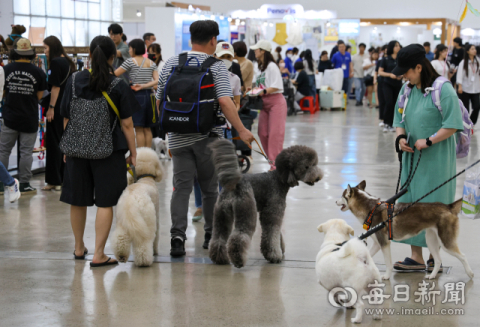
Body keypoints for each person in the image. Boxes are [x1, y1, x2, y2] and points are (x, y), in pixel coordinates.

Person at [155, 20, 254, 256]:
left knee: (181, 188)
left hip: (178, 137)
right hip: (208, 137)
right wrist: (242, 129)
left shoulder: (171, 63)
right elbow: (225, 101)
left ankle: (177, 238)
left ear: (191, 38)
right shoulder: (218, 67)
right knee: (210, 190)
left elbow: (159, 100)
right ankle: (211, 236)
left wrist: (169, 127)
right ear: (213, 40)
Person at [60, 35, 138, 267]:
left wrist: (70, 143)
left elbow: (66, 117)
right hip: (109, 151)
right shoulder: (118, 85)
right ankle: (99, 254)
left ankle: (78, 248)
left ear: (90, 56)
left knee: (78, 200)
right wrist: (133, 153)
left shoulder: (74, 80)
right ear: (113, 57)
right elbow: (127, 124)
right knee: (105, 202)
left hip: (77, 152)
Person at [392, 44, 463, 272]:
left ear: (419, 67)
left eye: (407, 71)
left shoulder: (443, 90)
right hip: (412, 158)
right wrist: (401, 139)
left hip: (436, 159)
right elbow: (399, 120)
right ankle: (416, 257)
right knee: (411, 204)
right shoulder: (407, 89)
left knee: (433, 205)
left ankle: (435, 258)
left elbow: (453, 124)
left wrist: (430, 140)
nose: (404, 76)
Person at [0, 38, 47, 194]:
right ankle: (25, 183)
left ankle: (1, 182)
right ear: (32, 53)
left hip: (10, 117)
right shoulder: (39, 72)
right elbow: (39, 96)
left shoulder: (6, 70)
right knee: (26, 151)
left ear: (15, 51)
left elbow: (3, 93)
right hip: (29, 117)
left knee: (4, 150)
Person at [42, 36, 76, 191]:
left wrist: (51, 107)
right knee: (65, 141)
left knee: (54, 142)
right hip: (68, 106)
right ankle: (64, 178)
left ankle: (54, 180)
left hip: (57, 107)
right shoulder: (69, 62)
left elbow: (55, 87)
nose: (44, 51)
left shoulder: (56, 63)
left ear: (52, 47)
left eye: (45, 48)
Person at [115, 39, 159, 148]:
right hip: (150, 96)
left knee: (138, 129)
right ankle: (148, 156)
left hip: (137, 96)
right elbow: (157, 81)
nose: (129, 51)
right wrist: (145, 85)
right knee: (148, 129)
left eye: (130, 48)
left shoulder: (130, 61)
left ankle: (140, 157)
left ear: (134, 49)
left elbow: (115, 74)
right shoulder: (151, 62)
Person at [251, 39, 287, 171]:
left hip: (276, 102)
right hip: (264, 103)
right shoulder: (259, 66)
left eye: (256, 49)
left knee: (275, 135)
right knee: (262, 133)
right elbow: (260, 84)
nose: (254, 51)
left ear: (263, 51)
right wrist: (253, 90)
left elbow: (277, 86)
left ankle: (276, 165)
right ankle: (272, 160)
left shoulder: (272, 66)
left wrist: (262, 91)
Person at [378, 40, 403, 132]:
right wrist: (390, 75)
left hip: (397, 84)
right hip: (387, 84)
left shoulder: (400, 59)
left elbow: (404, 71)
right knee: (388, 102)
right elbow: (380, 72)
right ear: (391, 47)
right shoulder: (385, 59)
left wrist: (401, 76)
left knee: (396, 104)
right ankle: (386, 123)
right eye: (396, 45)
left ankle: (393, 123)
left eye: (399, 45)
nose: (398, 47)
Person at [456, 43, 480, 125]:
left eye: (475, 49)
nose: (474, 51)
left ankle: (472, 123)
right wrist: (459, 86)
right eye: (472, 49)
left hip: (476, 88)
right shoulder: (463, 62)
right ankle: (465, 124)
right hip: (465, 88)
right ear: (467, 51)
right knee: (466, 109)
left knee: (477, 106)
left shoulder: (478, 61)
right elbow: (459, 75)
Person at [376, 44, 388, 126]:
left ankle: (389, 120)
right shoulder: (381, 60)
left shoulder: (395, 59)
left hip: (390, 82)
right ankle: (382, 119)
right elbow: (377, 71)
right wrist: (374, 80)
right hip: (381, 81)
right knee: (382, 101)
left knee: (389, 102)